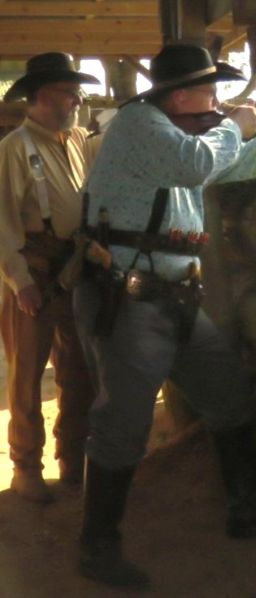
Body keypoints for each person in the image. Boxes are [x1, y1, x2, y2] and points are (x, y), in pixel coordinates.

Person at [74, 44, 256, 590]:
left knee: (228, 395)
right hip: (130, 298)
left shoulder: (178, 136)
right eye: (210, 92)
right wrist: (238, 124)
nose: (217, 103)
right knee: (123, 424)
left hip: (174, 297)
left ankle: (247, 506)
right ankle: (96, 547)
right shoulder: (140, 124)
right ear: (180, 96)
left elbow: (234, 163)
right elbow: (201, 162)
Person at [0, 53, 100, 502]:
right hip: (36, 271)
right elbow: (1, 219)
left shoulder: (76, 139)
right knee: (26, 375)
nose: (77, 99)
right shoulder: (14, 148)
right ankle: (26, 469)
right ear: (42, 95)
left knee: (78, 370)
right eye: (69, 92)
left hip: (74, 267)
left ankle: (72, 458)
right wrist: (19, 280)